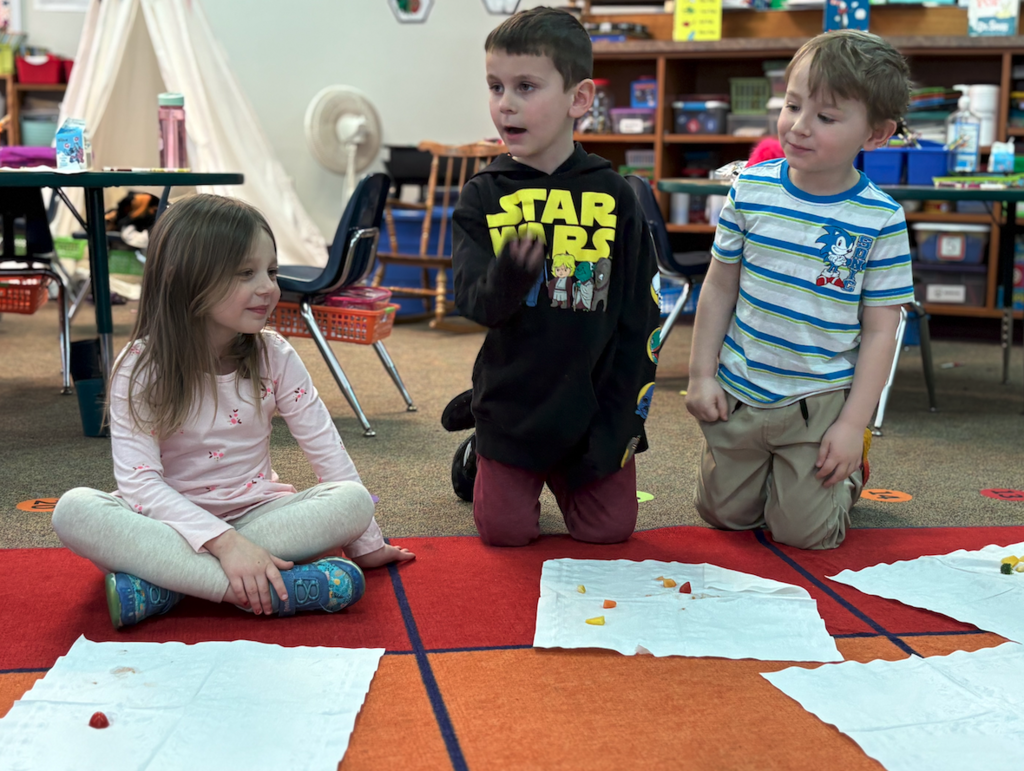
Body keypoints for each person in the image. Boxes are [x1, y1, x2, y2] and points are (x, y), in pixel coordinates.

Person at [52, 194, 413, 629]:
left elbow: (328, 453)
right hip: (167, 522)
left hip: (258, 514)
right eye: (246, 273)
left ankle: (164, 585)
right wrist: (225, 545)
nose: (268, 287)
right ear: (186, 280)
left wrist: (366, 543)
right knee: (74, 510)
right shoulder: (140, 364)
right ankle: (261, 587)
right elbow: (140, 484)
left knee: (353, 501)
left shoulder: (275, 355)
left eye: (272, 271)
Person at [686, 30, 915, 549]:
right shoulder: (750, 188)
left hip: (819, 400)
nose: (798, 127)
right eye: (792, 105)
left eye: (826, 118)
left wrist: (853, 425)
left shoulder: (880, 218)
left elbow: (883, 332)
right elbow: (719, 287)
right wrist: (701, 375)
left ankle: (846, 471)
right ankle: (773, 474)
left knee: (806, 535)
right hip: (742, 388)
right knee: (722, 516)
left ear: (876, 134)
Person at [452, 7, 661, 547]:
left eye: (526, 86)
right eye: (495, 86)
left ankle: (563, 468)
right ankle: (479, 449)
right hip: (513, 407)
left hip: (592, 409)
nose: (506, 103)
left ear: (580, 99)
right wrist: (509, 277)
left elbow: (641, 315)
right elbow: (473, 304)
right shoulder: (484, 194)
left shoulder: (616, 196)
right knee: (506, 534)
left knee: (608, 532)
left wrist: (624, 422)